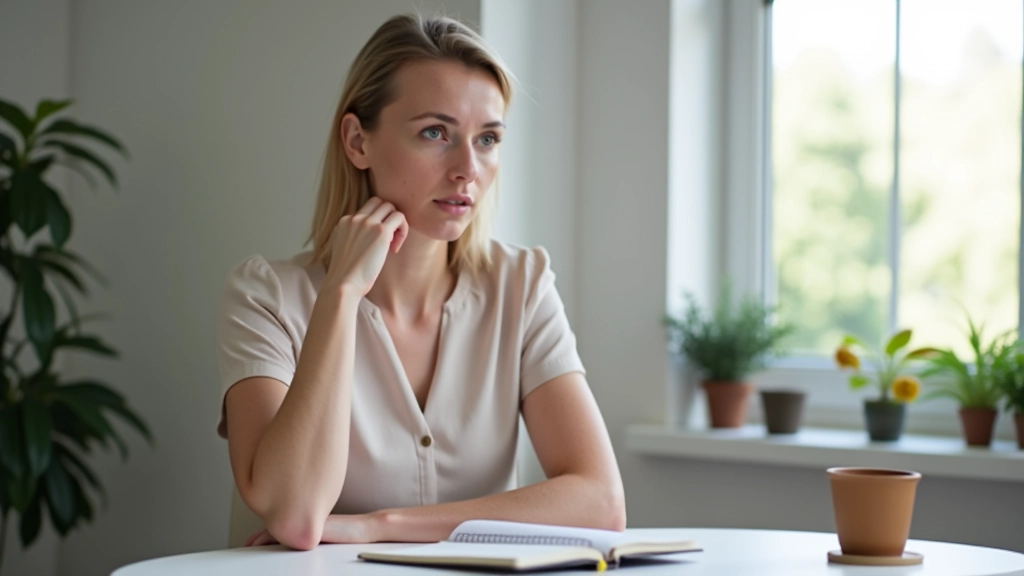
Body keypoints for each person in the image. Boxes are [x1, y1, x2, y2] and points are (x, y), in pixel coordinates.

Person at [215, 13, 625, 551]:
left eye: (488, 139)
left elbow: (600, 502)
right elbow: (294, 516)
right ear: (358, 141)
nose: (467, 169)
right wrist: (340, 295)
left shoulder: (521, 286)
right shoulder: (265, 296)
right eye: (436, 132)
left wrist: (378, 526)